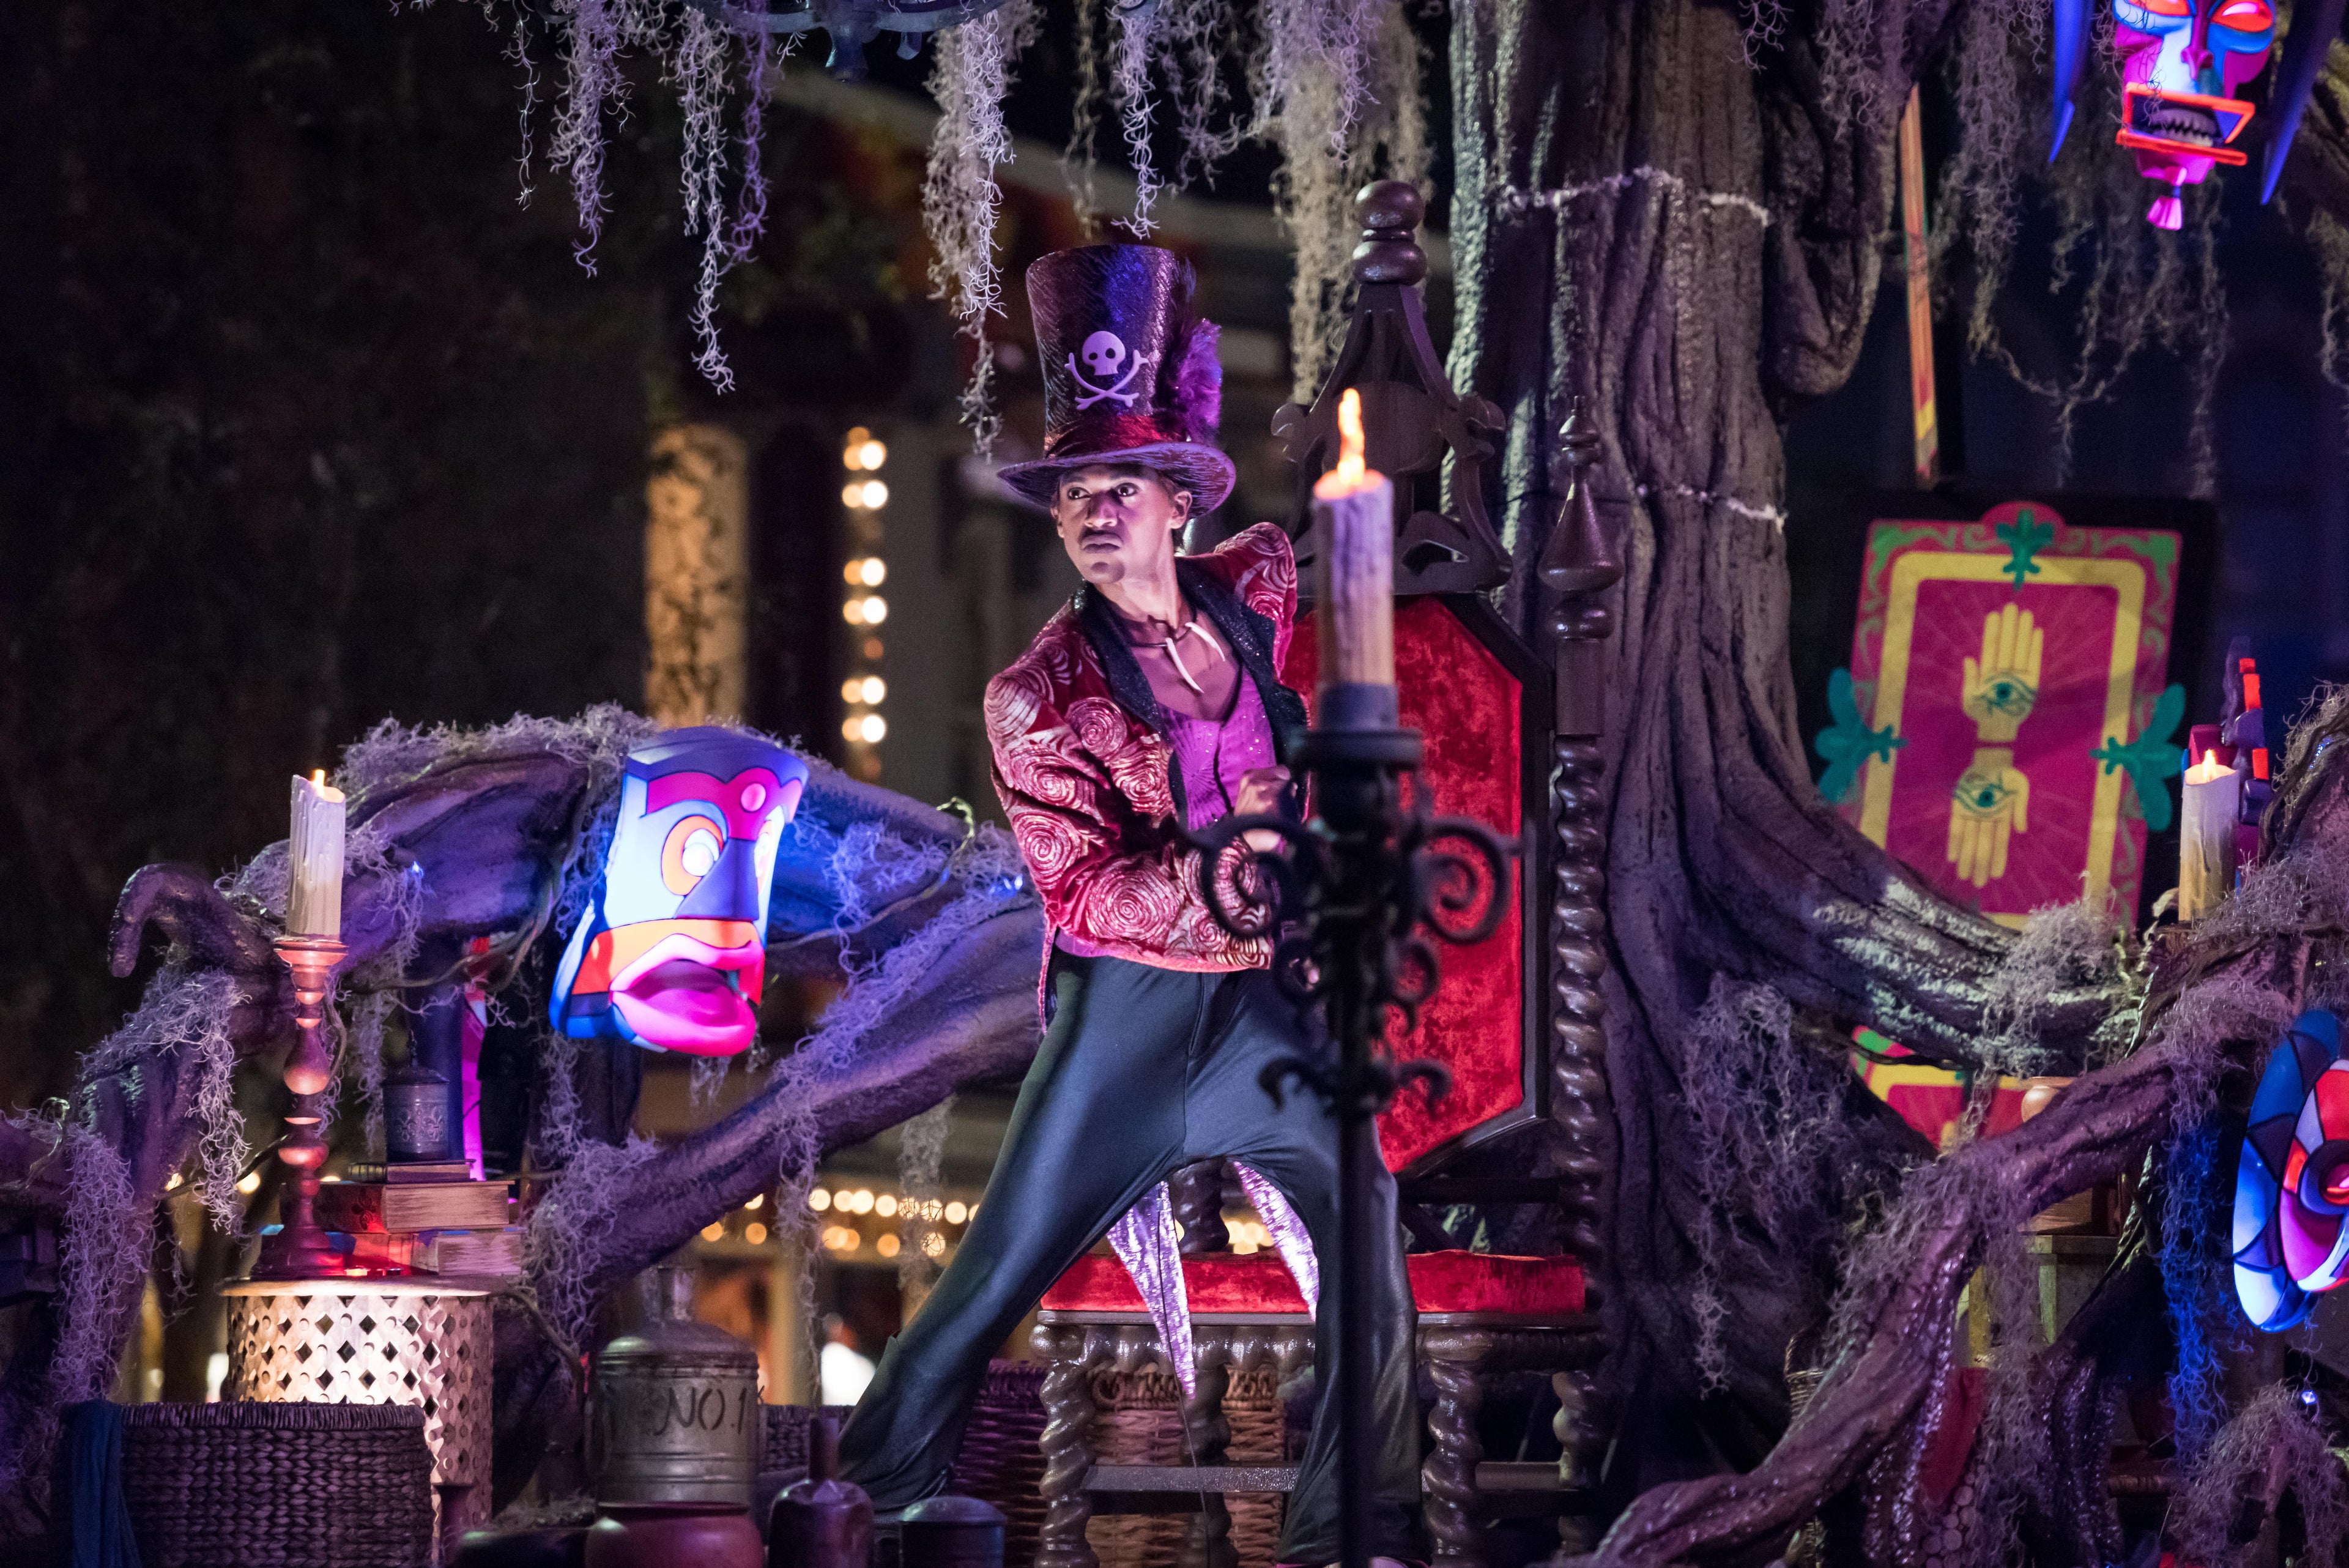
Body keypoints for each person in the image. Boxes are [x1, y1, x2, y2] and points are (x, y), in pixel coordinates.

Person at [836, 243, 1422, 1565]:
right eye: (1074, 497)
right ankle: (854, 1510)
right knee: (988, 1279)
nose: (1096, 514)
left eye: (1120, 489)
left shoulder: (1257, 590)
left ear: (1176, 503)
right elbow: (1091, 895)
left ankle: (1347, 1533)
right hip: (1125, 1029)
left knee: (1366, 1215)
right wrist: (1254, 876)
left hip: (1263, 1022)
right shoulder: (1035, 699)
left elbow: (1350, 590)